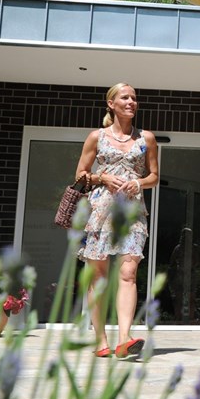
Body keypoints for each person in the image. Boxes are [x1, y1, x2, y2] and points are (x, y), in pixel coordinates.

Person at [74, 83, 159, 358]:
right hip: (100, 212)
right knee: (98, 276)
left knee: (128, 273)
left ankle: (124, 338)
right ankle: (100, 340)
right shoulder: (96, 137)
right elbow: (80, 175)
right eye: (125, 97)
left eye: (134, 98)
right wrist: (103, 177)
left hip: (133, 213)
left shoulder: (146, 138)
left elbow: (154, 176)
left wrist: (139, 182)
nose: (131, 101)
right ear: (111, 103)